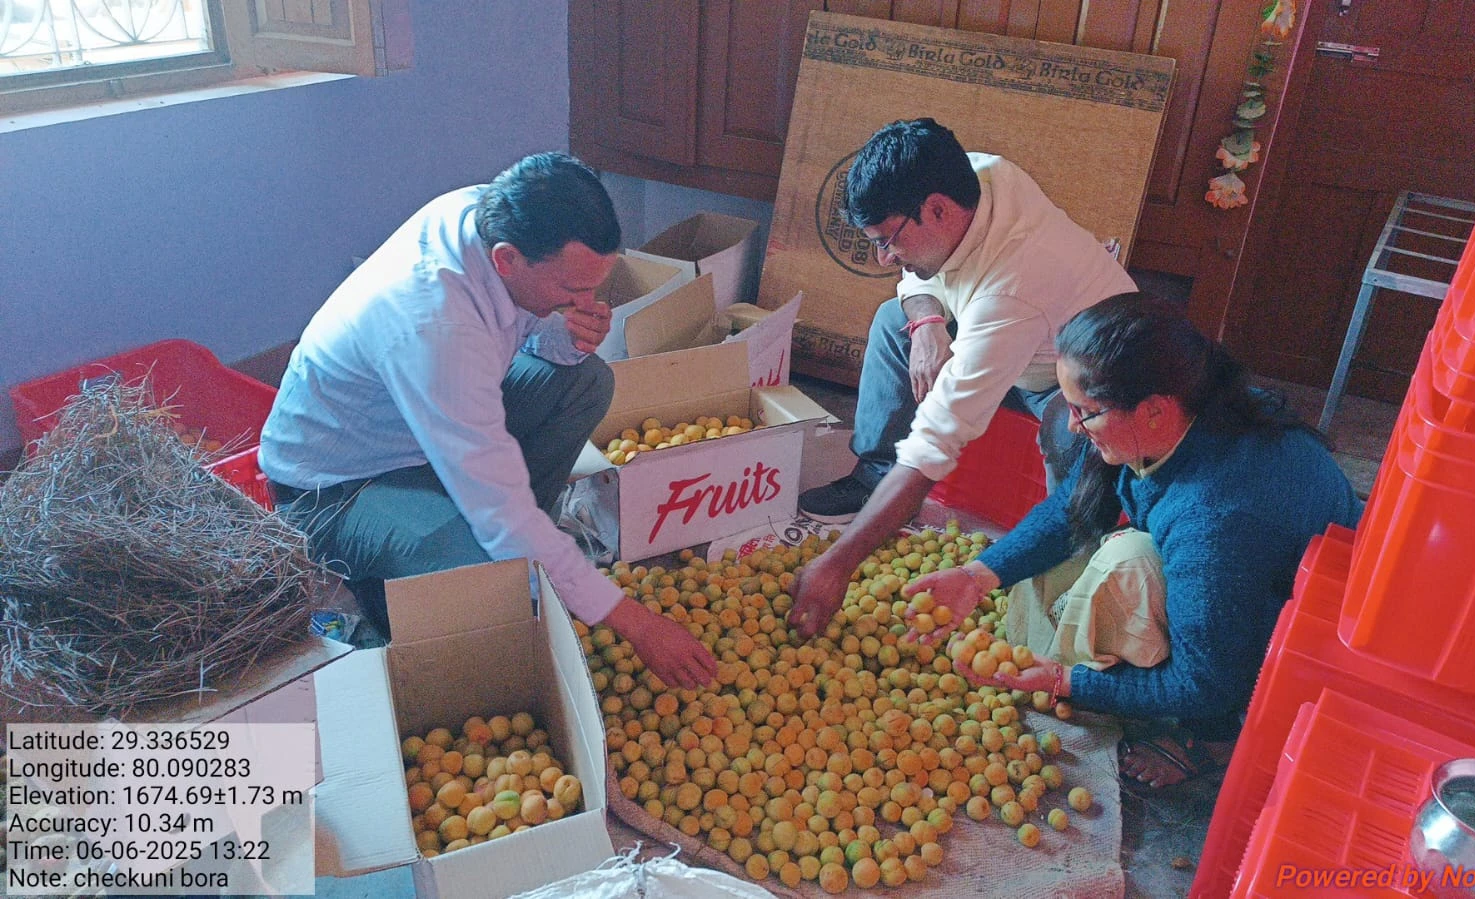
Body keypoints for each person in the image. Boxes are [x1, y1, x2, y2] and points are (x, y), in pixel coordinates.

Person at [260, 152, 717, 689]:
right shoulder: (434, 326)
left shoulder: (491, 214)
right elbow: (497, 505)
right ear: (506, 260)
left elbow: (526, 331)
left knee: (586, 381)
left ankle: (523, 558)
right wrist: (637, 624)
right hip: (337, 490)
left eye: (594, 287)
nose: (586, 301)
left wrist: (568, 336)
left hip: (419, 436)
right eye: (572, 291)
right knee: (480, 572)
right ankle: (396, 584)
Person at [902, 293, 1363, 789]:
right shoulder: (1180, 407)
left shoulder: (1212, 518)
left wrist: (1064, 682)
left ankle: (1216, 740)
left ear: (1154, 411)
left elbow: (1205, 682)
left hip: (1306, 633)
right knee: (1076, 554)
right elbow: (1075, 509)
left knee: (1127, 564)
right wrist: (978, 576)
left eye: (1085, 411)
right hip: (1237, 573)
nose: (1074, 424)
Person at [789, 117, 1135, 637]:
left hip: (1080, 378)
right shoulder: (970, 178)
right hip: (1016, 346)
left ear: (936, 210)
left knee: (1073, 432)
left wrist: (837, 564)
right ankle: (875, 477)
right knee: (894, 320)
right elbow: (916, 274)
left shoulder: (1014, 283)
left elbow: (936, 442)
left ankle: (1064, 560)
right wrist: (927, 323)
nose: (884, 258)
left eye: (888, 240)